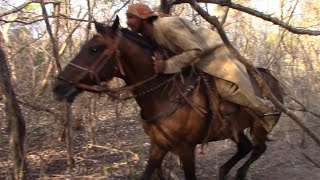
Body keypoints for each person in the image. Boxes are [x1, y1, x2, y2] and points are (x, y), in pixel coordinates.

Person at [126, 3, 279, 132]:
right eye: (127, 17)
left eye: (131, 17)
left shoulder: (167, 25)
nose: (128, 22)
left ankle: (266, 109)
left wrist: (167, 65)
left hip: (214, 55)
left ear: (143, 18)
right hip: (195, 62)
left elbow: (195, 50)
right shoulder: (149, 35)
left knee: (227, 90)